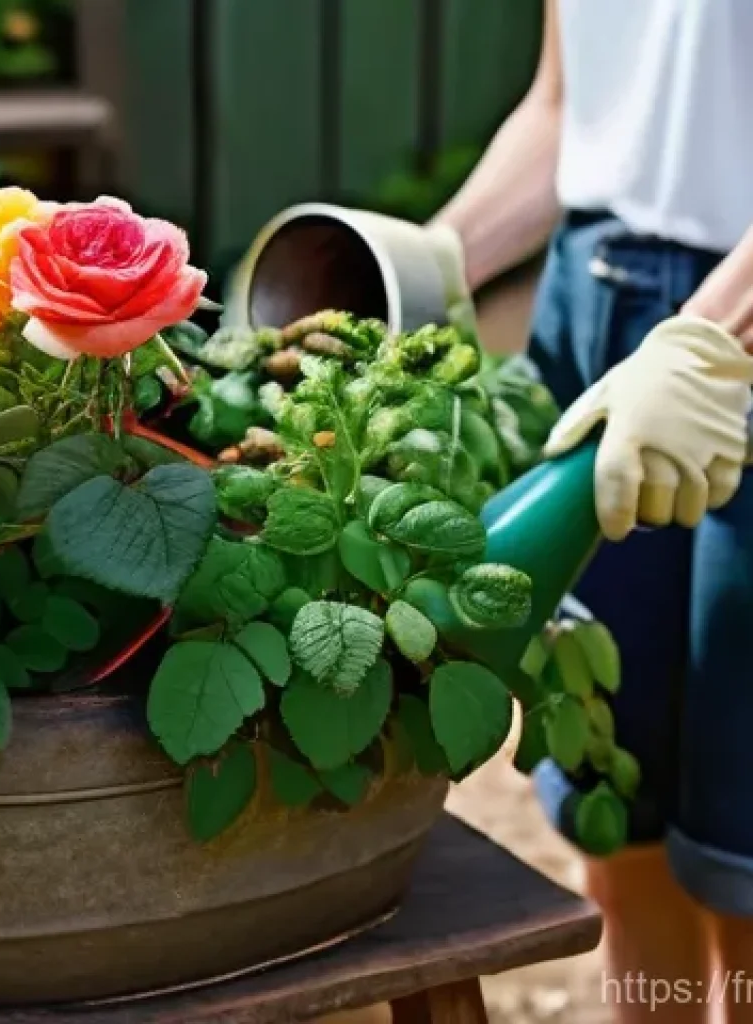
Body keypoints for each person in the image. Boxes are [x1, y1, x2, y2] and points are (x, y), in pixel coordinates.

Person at [403, 1, 753, 1022]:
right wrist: (420, 266)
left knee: (742, 863)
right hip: (598, 313)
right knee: (618, 816)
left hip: (725, 320)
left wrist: (702, 345)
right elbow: (571, 111)